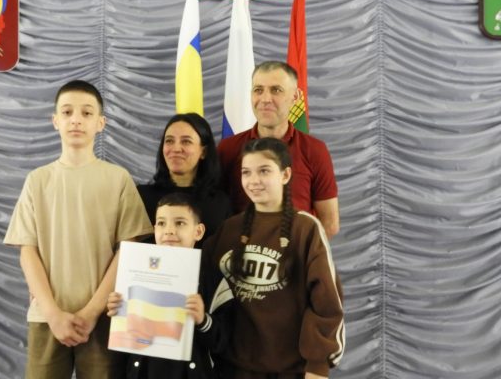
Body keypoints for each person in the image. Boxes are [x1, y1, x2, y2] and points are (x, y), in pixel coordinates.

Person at [4, 80, 154, 379]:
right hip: (46, 317)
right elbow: (27, 251)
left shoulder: (118, 179)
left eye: (86, 113)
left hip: (103, 317)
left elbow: (128, 250)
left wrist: (91, 312)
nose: (76, 120)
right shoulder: (37, 180)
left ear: (100, 123)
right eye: (67, 112)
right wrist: (52, 313)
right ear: (55, 121)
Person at [204, 137, 344, 379]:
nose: (253, 180)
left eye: (264, 171)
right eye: (246, 172)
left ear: (285, 175)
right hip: (232, 370)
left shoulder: (305, 228)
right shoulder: (229, 229)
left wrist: (317, 366)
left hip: (291, 371)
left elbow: (326, 304)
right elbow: (198, 286)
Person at [107, 193, 233, 379]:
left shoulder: (213, 279)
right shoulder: (135, 273)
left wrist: (203, 320)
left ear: (198, 231)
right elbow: (120, 350)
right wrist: (119, 309)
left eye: (180, 223)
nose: (169, 231)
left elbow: (224, 341)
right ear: (154, 229)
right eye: (161, 223)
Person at [217, 61, 340, 239]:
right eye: (258, 90)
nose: (265, 99)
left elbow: (330, 223)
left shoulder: (314, 150)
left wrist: (301, 251)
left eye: (276, 90)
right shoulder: (228, 148)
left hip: (294, 253)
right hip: (240, 252)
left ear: (295, 97)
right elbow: (216, 213)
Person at [138, 113, 232, 243]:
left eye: (186, 141)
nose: (176, 149)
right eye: (169, 141)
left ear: (203, 152)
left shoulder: (220, 204)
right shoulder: (141, 198)